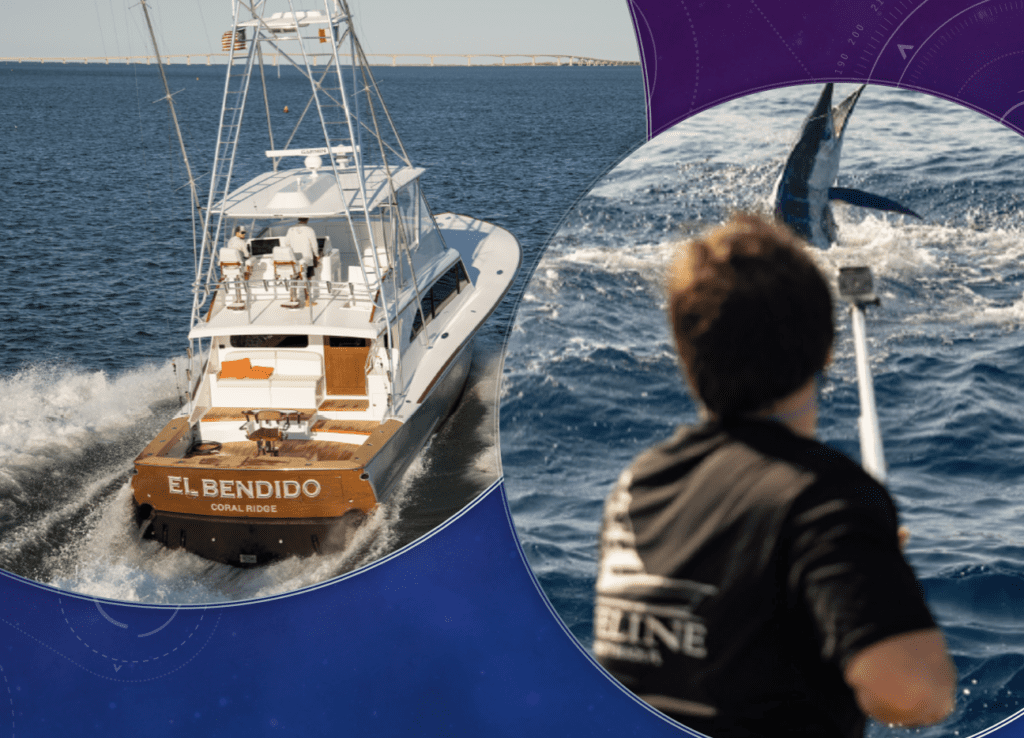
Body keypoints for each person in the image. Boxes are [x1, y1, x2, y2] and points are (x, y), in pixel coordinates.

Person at [593, 213, 956, 738]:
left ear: (686, 356)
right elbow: (918, 694)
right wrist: (879, 577)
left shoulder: (639, 485)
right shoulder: (826, 502)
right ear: (825, 351)